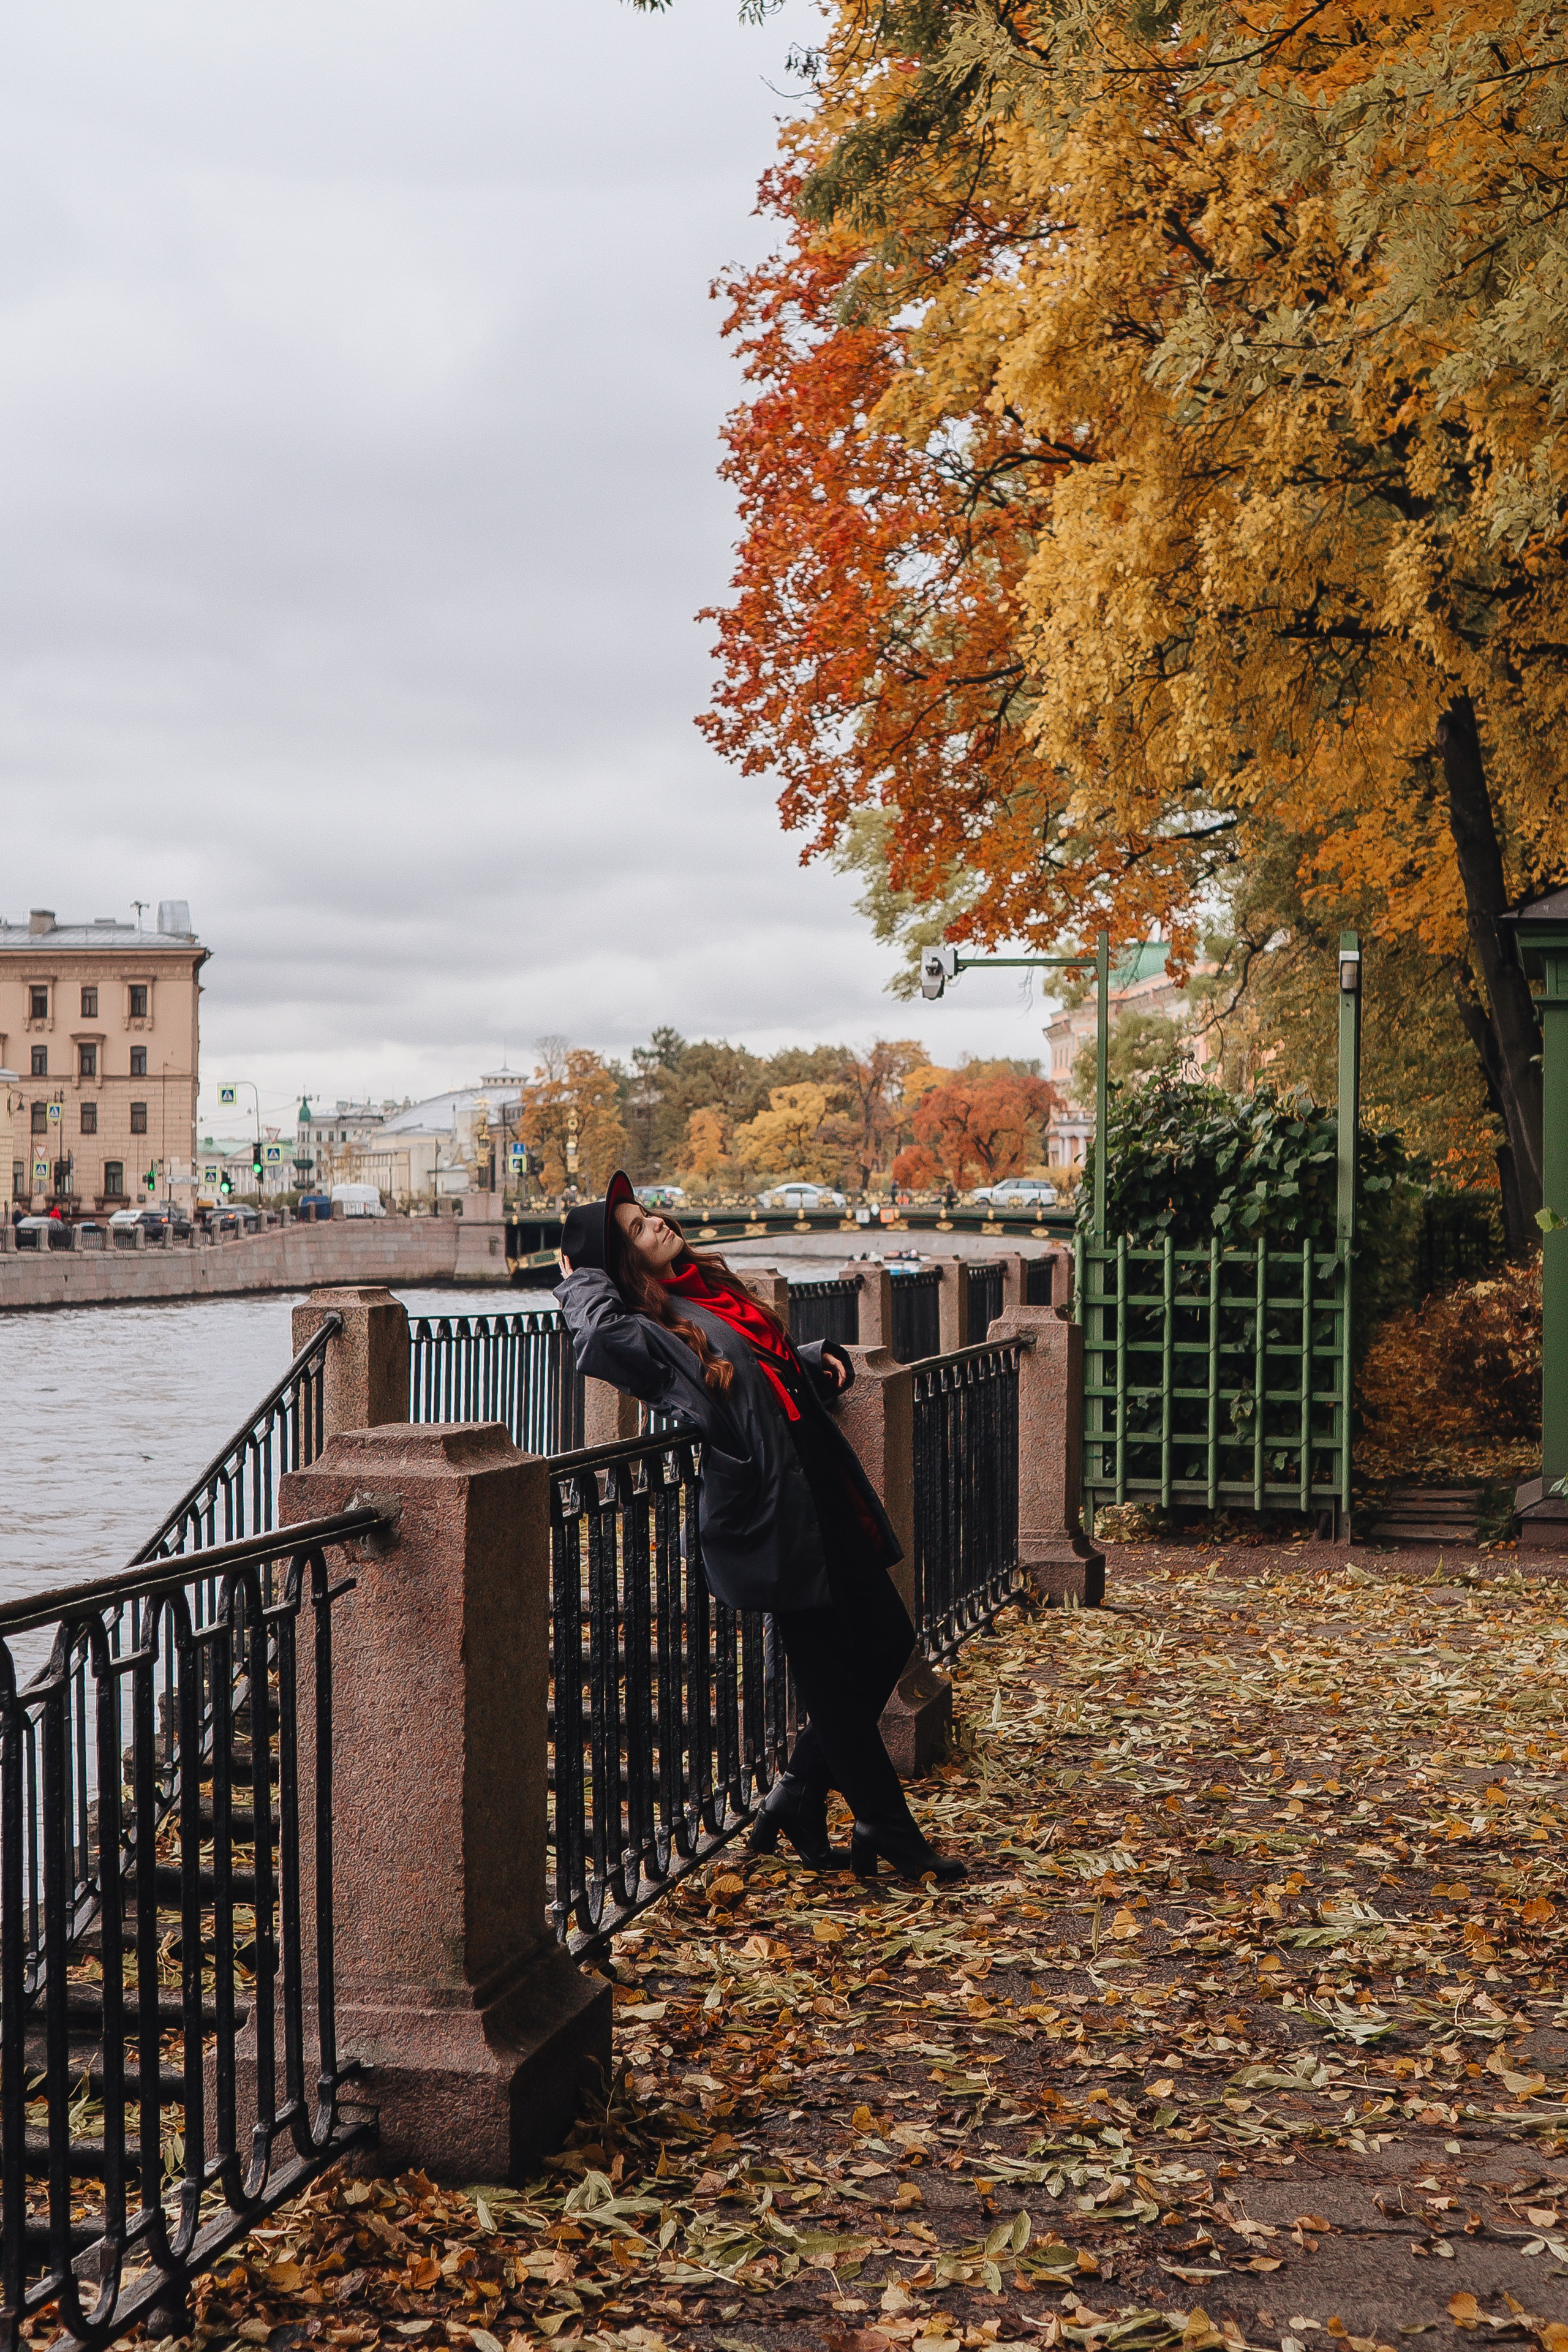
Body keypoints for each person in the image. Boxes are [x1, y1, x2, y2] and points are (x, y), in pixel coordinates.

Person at [556, 1172, 963, 1885]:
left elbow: (745, 1373)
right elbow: (595, 1337)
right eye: (633, 1229)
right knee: (833, 1676)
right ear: (618, 1263)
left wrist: (805, 1363)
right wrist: (585, 1278)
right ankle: (885, 1825)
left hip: (817, 1486)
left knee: (888, 1640)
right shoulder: (650, 1327)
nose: (654, 1222)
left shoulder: (703, 1294)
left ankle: (799, 1792)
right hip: (772, 1511)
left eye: (648, 1212)